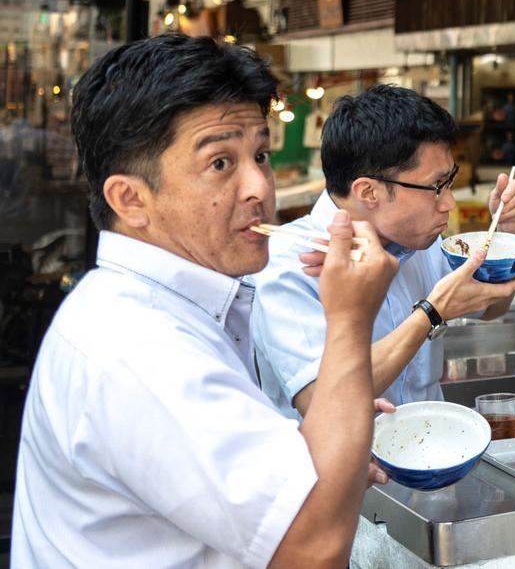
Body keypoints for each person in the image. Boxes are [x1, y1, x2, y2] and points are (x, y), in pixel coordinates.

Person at [12, 34, 398, 568]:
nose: (259, 186)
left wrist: (337, 423)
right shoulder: (138, 348)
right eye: (220, 162)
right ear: (131, 199)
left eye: (259, 154)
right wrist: (351, 320)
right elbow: (313, 551)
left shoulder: (160, 305)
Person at [252, 84, 515, 417]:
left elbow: (490, 307)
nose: (449, 203)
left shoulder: (420, 241)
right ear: (368, 192)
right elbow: (320, 400)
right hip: (349, 466)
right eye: (435, 186)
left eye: (450, 182)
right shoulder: (289, 262)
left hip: (432, 451)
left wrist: (504, 240)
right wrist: (431, 313)